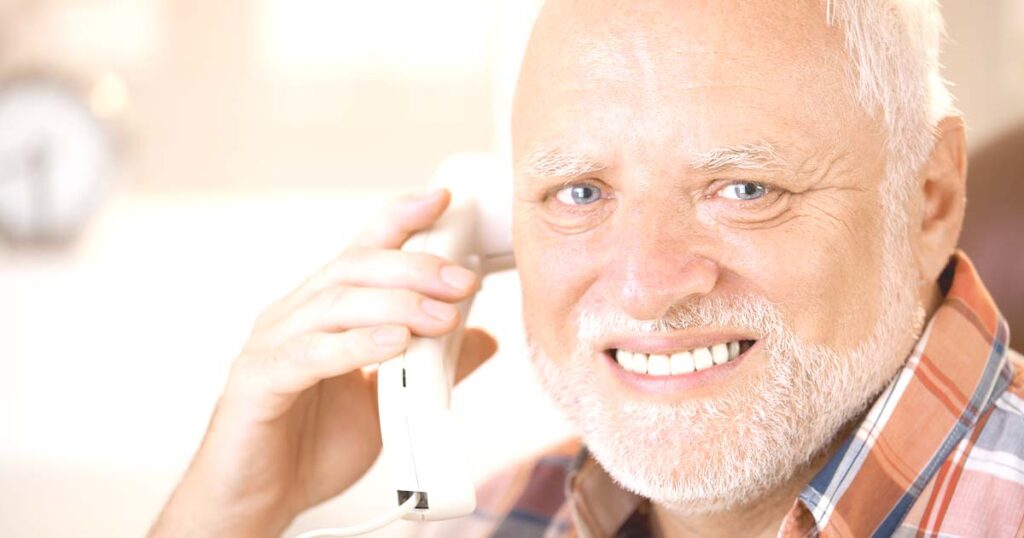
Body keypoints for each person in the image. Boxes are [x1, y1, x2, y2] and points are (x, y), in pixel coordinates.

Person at [150, 1, 1024, 537]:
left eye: (743, 186)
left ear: (929, 197)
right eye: (579, 192)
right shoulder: (497, 522)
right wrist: (228, 519)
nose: (645, 281)